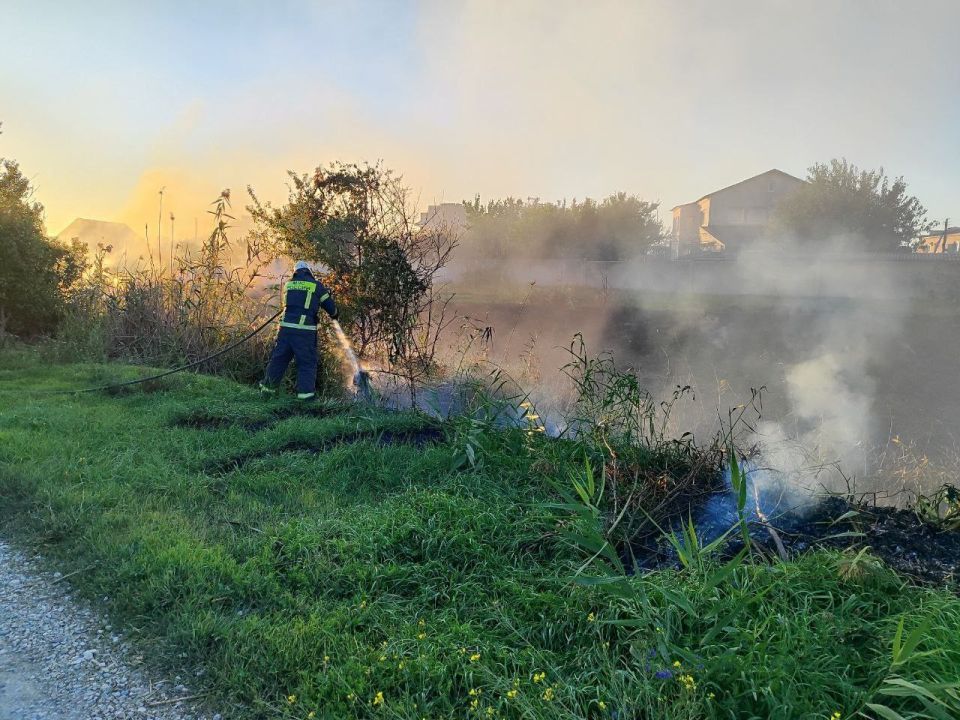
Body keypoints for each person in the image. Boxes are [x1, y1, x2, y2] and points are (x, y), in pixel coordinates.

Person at [259, 261, 338, 401]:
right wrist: (333, 313)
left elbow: (292, 304)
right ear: (309, 272)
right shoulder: (316, 286)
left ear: (295, 272)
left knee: (279, 360)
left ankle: (267, 392)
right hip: (304, 332)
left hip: (285, 330)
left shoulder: (289, 285)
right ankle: (305, 398)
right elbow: (332, 309)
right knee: (307, 363)